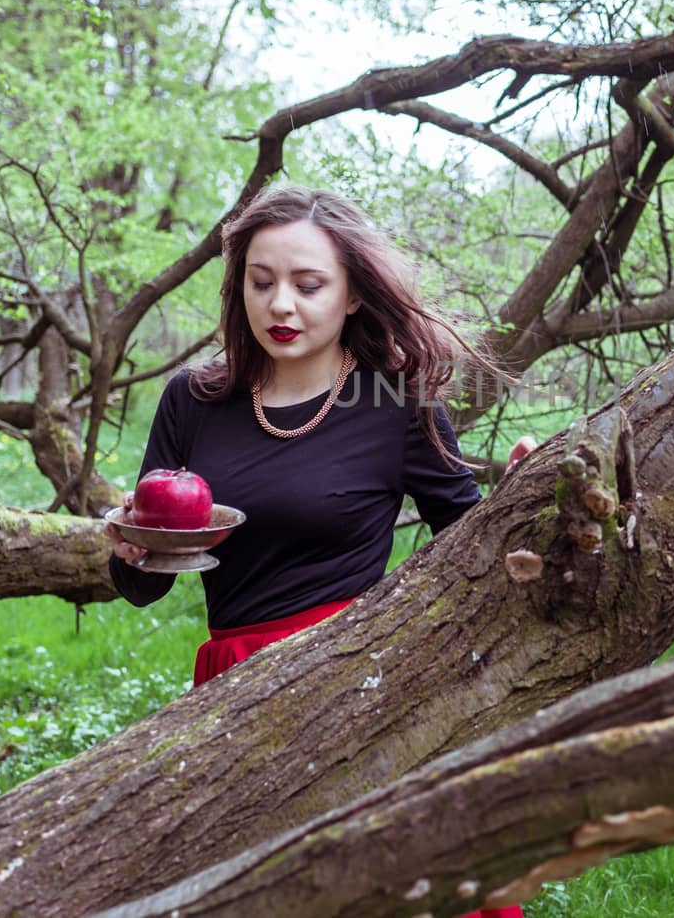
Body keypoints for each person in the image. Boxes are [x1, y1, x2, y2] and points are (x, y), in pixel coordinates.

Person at [106, 185, 531, 918]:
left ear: (354, 294)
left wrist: (527, 505)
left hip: (355, 675)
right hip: (235, 685)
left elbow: (473, 543)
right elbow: (141, 586)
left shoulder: (396, 402)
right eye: (261, 281)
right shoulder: (193, 400)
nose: (280, 306)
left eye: (308, 286)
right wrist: (130, 548)